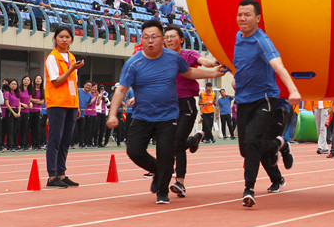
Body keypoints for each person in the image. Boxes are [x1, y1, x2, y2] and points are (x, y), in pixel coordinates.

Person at [106, 20, 224, 204]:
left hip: (168, 117)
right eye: (146, 38)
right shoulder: (133, 63)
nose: (150, 41)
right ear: (141, 40)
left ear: (161, 39)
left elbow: (189, 73)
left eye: (154, 37)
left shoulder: (173, 58)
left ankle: (162, 191)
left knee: (166, 154)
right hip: (142, 116)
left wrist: (213, 73)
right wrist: (112, 114)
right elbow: (121, 90)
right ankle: (160, 171)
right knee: (134, 151)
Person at [233, 0, 299, 207]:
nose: (242, 18)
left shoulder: (262, 41)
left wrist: (293, 89)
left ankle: (249, 188)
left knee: (252, 141)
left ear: (258, 18)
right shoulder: (238, 37)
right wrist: (237, 78)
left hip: (265, 99)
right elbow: (242, 63)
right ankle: (281, 144)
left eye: (248, 15)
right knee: (246, 149)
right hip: (243, 100)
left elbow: (277, 65)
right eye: (240, 14)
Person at [163, 24, 216, 198]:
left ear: (181, 39)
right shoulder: (162, 57)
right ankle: (194, 140)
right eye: (167, 37)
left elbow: (204, 62)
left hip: (186, 103)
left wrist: (215, 63)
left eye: (173, 36)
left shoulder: (188, 55)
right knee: (170, 142)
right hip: (168, 104)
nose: (169, 40)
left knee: (177, 142)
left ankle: (180, 183)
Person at [45, 25, 85, 188]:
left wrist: (77, 104)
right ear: (55, 38)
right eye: (61, 36)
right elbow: (56, 81)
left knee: (66, 140)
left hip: (71, 103)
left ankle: (61, 173)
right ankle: (52, 176)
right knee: (55, 139)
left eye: (67, 37)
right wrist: (70, 70)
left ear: (71, 40)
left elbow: (73, 83)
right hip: (57, 103)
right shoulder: (52, 58)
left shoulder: (71, 57)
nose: (64, 39)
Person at [3, 79, 21, 151]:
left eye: (15, 84)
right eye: (12, 84)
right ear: (9, 85)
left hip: (17, 111)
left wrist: (19, 112)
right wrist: (13, 113)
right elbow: (7, 104)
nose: (14, 86)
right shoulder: (7, 93)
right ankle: (10, 145)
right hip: (10, 111)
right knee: (10, 129)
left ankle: (15, 144)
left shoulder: (17, 93)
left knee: (16, 129)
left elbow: (19, 103)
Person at [18, 76, 33, 150]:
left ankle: (25, 144)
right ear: (22, 80)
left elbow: (29, 99)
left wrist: (30, 103)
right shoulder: (19, 90)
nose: (26, 81)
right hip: (20, 111)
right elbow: (16, 99)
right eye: (25, 80)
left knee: (25, 128)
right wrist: (22, 104)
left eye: (28, 80)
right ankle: (18, 144)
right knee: (19, 128)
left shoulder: (29, 91)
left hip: (27, 112)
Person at [29, 75, 45, 149]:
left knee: (38, 128)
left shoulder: (42, 90)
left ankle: (38, 144)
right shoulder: (31, 89)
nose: (38, 80)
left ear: (42, 81)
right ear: (34, 80)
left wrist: (36, 101)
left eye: (39, 79)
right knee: (31, 128)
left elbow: (42, 102)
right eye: (37, 79)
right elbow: (29, 99)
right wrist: (37, 101)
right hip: (30, 110)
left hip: (38, 111)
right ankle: (32, 143)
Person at [76, 80, 92, 148]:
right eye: (87, 85)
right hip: (74, 113)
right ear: (84, 85)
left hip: (82, 114)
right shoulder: (78, 90)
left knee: (81, 129)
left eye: (90, 86)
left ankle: (81, 143)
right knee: (73, 129)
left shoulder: (89, 95)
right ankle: (72, 143)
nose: (88, 87)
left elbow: (89, 103)